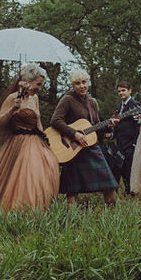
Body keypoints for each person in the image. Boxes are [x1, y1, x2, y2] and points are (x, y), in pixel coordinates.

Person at [0, 63, 60, 211]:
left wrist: (45, 140)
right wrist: (13, 109)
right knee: (23, 176)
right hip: (18, 142)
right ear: (28, 81)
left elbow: (38, 122)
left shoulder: (35, 99)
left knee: (47, 167)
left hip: (36, 141)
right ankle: (17, 208)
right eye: (38, 84)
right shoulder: (12, 98)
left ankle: (40, 207)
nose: (40, 88)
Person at [50, 69, 119, 206]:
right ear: (72, 85)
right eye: (77, 83)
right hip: (73, 149)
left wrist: (109, 125)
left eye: (84, 82)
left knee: (109, 183)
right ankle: (70, 218)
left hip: (91, 147)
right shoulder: (67, 99)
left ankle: (112, 215)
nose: (82, 86)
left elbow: (96, 125)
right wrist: (74, 133)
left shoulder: (92, 102)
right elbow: (55, 120)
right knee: (72, 189)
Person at [110, 81, 141, 194]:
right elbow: (117, 124)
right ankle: (116, 191)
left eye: (123, 90)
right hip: (120, 141)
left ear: (130, 91)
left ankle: (130, 191)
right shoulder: (119, 107)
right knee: (119, 166)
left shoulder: (135, 105)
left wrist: (135, 143)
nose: (121, 93)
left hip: (130, 142)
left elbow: (137, 126)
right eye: (119, 91)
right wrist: (112, 134)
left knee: (129, 168)